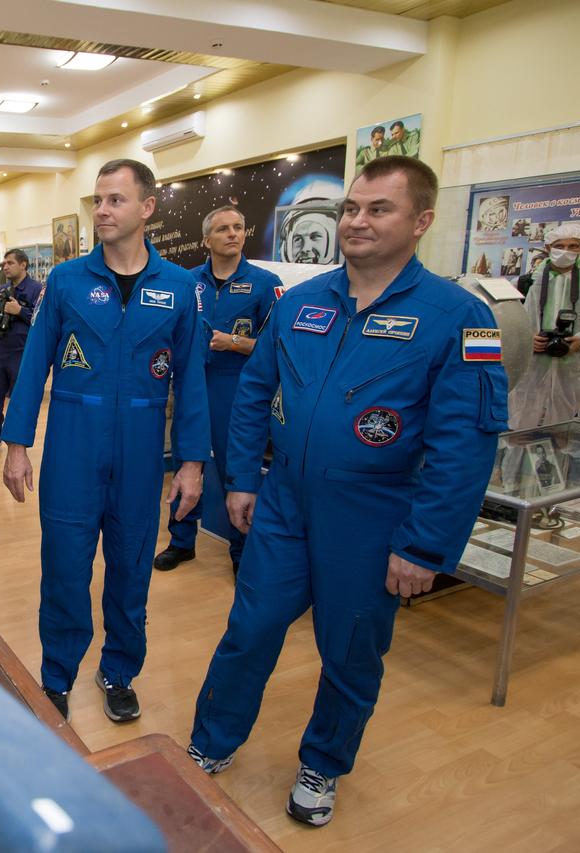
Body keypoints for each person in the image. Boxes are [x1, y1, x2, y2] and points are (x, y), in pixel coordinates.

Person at [184, 156, 508, 827]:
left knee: (350, 651)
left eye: (377, 209)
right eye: (351, 208)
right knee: (249, 629)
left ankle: (323, 763)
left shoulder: (461, 318)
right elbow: (252, 391)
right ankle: (212, 740)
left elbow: (465, 445)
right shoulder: (300, 302)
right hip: (284, 505)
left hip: (374, 520)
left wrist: (424, 546)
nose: (357, 221)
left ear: (421, 220)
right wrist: (242, 477)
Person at [1, 159, 210, 724]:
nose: (102, 211)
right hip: (72, 447)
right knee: (65, 568)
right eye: (97, 200)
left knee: (131, 568)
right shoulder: (67, 282)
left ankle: (119, 670)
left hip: (142, 455)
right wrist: (17, 444)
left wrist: (192, 463)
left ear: (146, 208)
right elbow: (32, 368)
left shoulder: (180, 287)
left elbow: (192, 382)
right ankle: (57, 676)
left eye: (115, 200)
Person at [154, 206, 280, 574]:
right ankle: (181, 541)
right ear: (207, 240)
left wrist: (235, 344)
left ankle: (241, 551)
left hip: (239, 393)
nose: (233, 234)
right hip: (193, 387)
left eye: (238, 227)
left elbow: (279, 347)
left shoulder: (264, 284)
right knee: (186, 462)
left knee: (237, 471)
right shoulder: (184, 282)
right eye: (223, 229)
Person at [506, 222, 580, 430]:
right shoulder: (525, 282)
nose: (566, 251)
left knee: (562, 428)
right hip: (530, 365)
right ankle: (515, 461)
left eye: (573, 246)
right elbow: (506, 321)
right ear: (548, 248)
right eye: (559, 245)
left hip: (571, 365)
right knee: (520, 424)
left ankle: (557, 460)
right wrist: (528, 337)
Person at [0, 249, 43, 454]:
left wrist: (20, 311)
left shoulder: (37, 290)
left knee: (19, 400)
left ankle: (17, 442)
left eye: (10, 263)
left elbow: (42, 321)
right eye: (3, 264)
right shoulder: (0, 291)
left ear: (23, 264)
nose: (5, 267)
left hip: (22, 352)